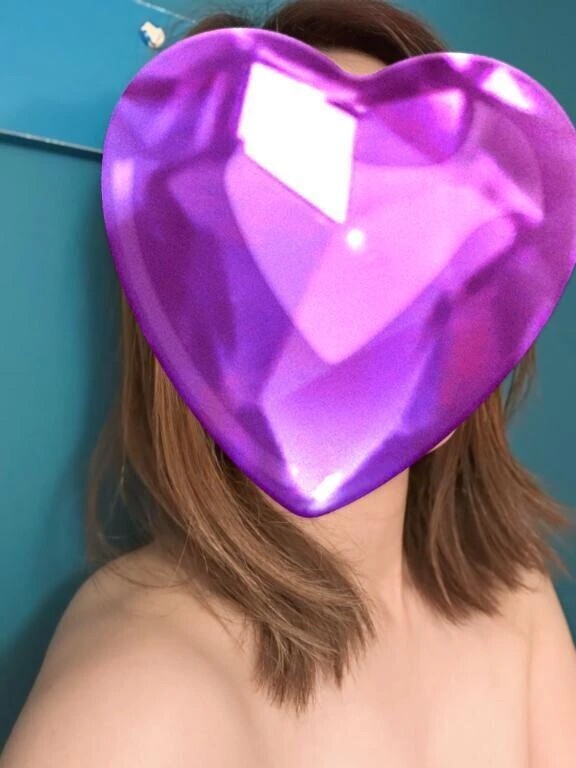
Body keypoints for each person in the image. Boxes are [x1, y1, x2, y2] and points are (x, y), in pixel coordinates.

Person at [2, 1, 576, 766]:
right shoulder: (132, 705)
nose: (378, 283)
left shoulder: (518, 598)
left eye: (419, 220)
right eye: (297, 237)